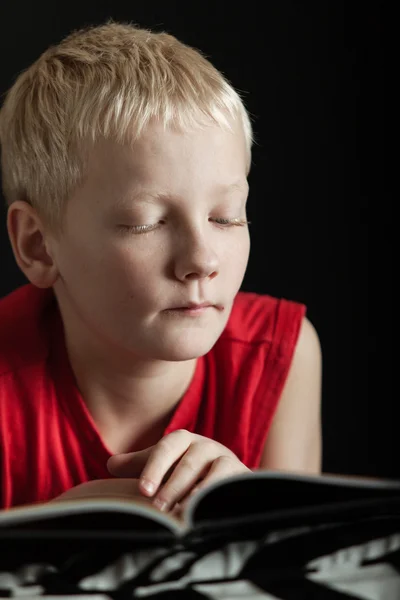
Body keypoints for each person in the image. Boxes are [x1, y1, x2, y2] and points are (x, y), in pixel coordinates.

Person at [0, 20, 322, 515]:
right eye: (147, 223)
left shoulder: (280, 355)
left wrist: (252, 515)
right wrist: (49, 529)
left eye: (225, 217)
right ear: (39, 245)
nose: (201, 260)